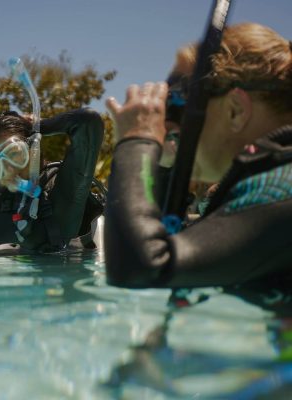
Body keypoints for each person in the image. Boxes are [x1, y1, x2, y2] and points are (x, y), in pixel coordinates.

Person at [104, 22, 292, 288]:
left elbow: (141, 268)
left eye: (179, 106)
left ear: (236, 110)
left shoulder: (281, 190)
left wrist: (137, 139)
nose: (168, 126)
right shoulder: (269, 179)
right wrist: (165, 163)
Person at [0, 108, 105, 256]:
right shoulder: (1, 196)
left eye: (14, 153)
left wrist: (36, 128)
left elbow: (87, 122)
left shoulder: (63, 192)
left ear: (33, 147)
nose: (8, 170)